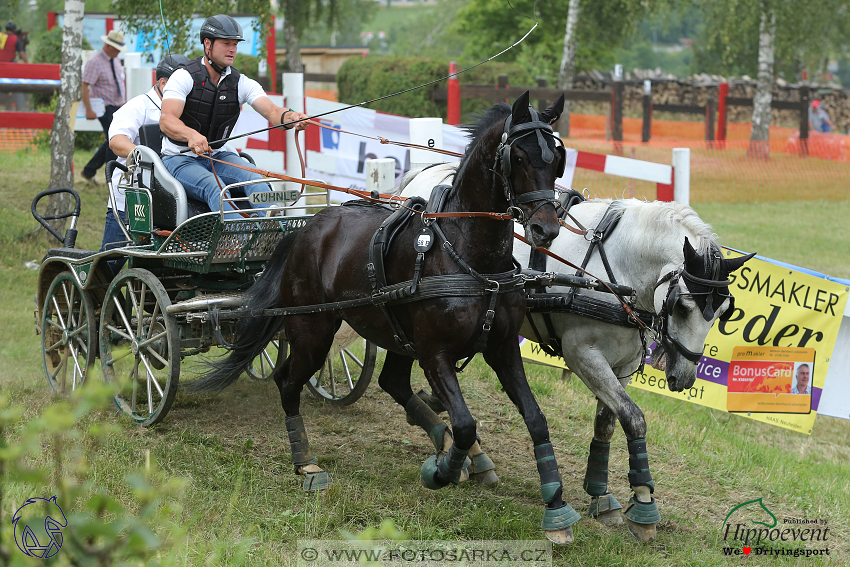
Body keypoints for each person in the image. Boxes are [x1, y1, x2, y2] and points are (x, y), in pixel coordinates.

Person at [159, 15, 309, 219]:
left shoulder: (242, 83)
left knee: (254, 178)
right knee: (216, 187)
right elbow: (166, 120)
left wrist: (291, 117)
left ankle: (272, 227)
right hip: (179, 160)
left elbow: (273, 112)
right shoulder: (183, 76)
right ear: (207, 44)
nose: (232, 49)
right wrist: (191, 135)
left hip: (217, 155)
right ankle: (240, 237)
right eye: (226, 43)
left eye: (235, 44)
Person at [100, 54, 191, 273]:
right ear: (163, 83)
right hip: (133, 200)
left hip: (170, 202)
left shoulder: (186, 109)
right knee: (110, 266)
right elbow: (117, 141)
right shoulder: (138, 106)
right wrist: (150, 160)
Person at [80, 30, 127, 184]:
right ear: (109, 46)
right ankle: (112, 177)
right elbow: (85, 86)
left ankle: (89, 170)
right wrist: (88, 109)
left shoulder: (115, 60)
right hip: (104, 107)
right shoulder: (95, 62)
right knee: (114, 141)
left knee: (110, 140)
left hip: (117, 106)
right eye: (117, 48)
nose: (119, 51)